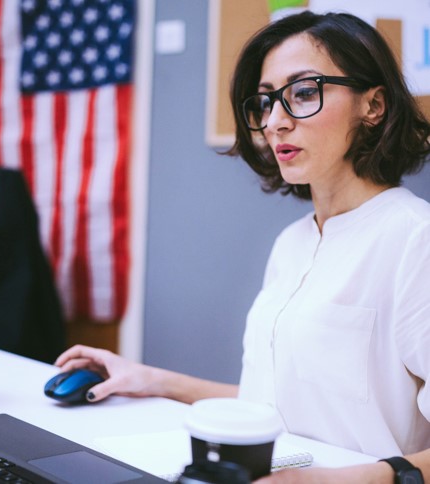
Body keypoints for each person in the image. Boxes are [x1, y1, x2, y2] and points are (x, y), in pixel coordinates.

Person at [56, 10, 430, 483]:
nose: (274, 122)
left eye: (303, 93)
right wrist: (149, 379)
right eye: (266, 102)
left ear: (372, 106)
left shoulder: (415, 240)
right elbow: (275, 403)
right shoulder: (292, 243)